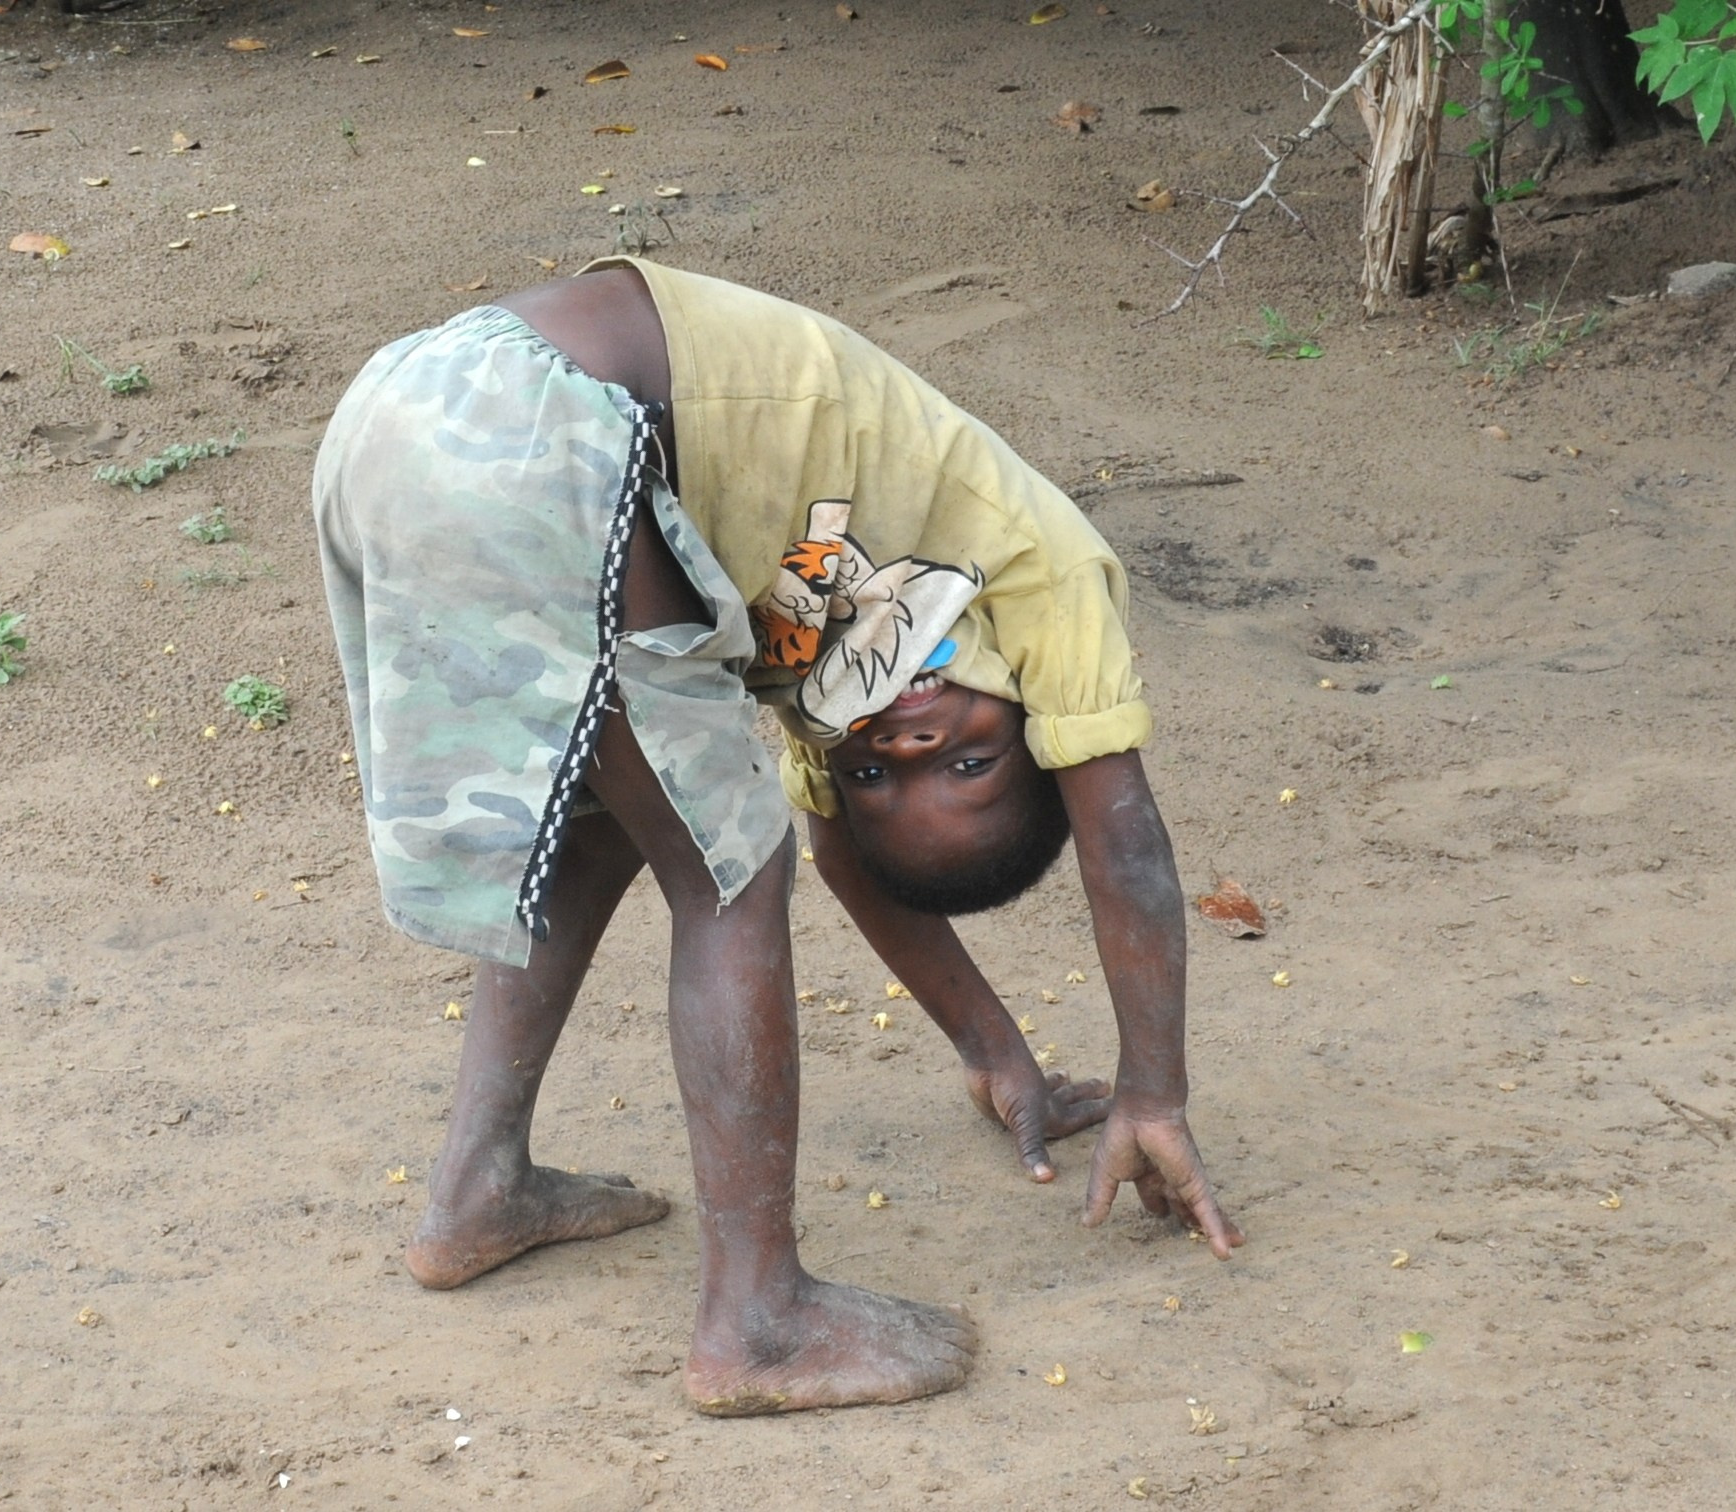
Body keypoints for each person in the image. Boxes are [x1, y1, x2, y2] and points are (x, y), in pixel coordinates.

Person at [312, 257, 1239, 1416]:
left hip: (402, 414)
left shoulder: (846, 697)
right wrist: (1154, 1092)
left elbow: (845, 852)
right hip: (532, 423)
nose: (909, 737)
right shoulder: (1042, 566)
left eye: (878, 774)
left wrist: (998, 1053)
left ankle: (475, 1190)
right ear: (1040, 737)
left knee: (605, 818)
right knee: (728, 869)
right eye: (967, 762)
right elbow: (1127, 843)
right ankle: (758, 1320)